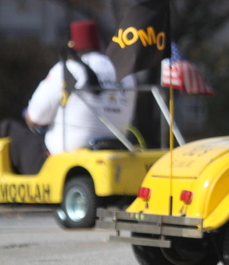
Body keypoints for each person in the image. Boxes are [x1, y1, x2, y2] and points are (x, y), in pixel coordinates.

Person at [0, 20, 136, 174]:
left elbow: (35, 118)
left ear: (71, 44)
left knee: (7, 128)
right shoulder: (124, 72)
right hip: (117, 151)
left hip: (60, 160)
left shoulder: (68, 69)